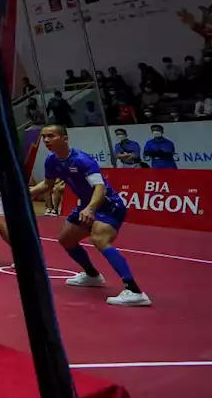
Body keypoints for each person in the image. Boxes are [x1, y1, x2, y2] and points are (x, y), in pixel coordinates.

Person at [29, 125, 151, 306]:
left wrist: (91, 209)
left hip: (108, 206)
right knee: (66, 239)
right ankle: (92, 275)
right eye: (44, 137)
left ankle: (134, 291)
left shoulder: (82, 160)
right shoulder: (51, 161)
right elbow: (47, 184)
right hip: (86, 206)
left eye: (51, 136)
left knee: (100, 239)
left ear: (64, 138)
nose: (46, 140)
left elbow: (99, 188)